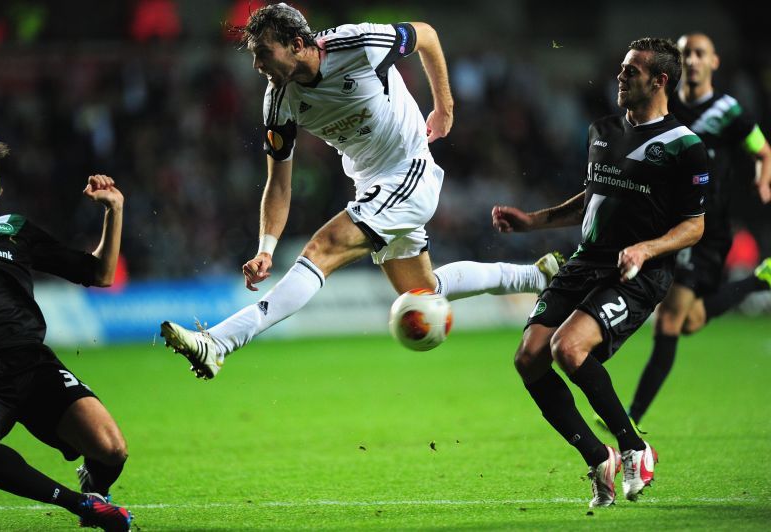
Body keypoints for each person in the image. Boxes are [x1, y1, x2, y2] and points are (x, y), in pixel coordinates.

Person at [160, 3, 563, 378]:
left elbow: (426, 35)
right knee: (421, 291)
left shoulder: (358, 43)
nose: (256, 63)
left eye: (263, 53)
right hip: (372, 185)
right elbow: (278, 182)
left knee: (323, 248)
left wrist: (444, 108)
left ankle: (220, 341)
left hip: (410, 171)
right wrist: (266, 247)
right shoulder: (278, 100)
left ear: (297, 44)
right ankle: (537, 275)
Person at [491, 38, 708, 507]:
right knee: (529, 357)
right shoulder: (602, 129)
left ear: (659, 80)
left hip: (636, 273)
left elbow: (695, 225)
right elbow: (592, 197)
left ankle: (635, 448)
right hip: (584, 262)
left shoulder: (685, 147)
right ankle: (599, 457)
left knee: (567, 348)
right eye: (621, 69)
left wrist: (646, 249)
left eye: (632, 71)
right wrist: (534, 221)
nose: (621, 77)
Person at [0, 131, 133, 531]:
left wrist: (114, 210)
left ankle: (94, 485)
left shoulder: (14, 229)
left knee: (112, 449)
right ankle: (82, 505)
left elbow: (100, 273)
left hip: (32, 364)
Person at [622, 33, 771, 427]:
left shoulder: (727, 110)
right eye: (686, 52)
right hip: (673, 219)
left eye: (700, 52)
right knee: (690, 321)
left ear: (714, 62)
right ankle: (759, 281)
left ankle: (630, 418)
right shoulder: (666, 106)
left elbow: (761, 149)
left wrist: (763, 179)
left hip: (705, 224)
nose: (693, 58)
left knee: (670, 321)